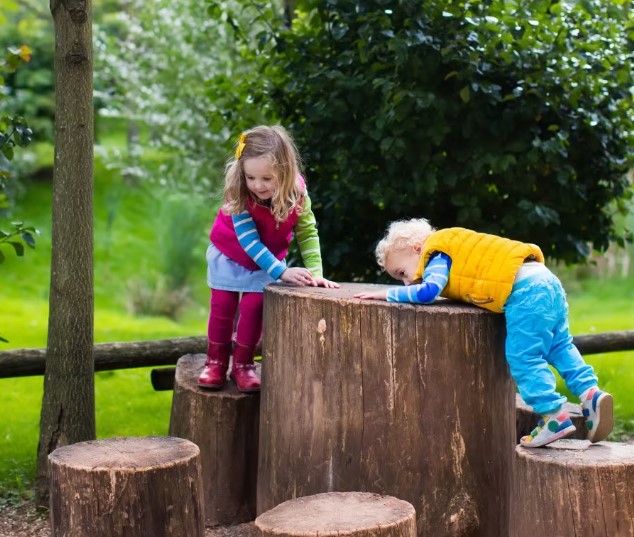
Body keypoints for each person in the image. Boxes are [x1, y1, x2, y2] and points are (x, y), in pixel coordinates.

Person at [354, 218, 613, 448]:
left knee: (524, 357)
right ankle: (590, 395)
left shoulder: (436, 254)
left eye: (402, 273)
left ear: (417, 249)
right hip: (546, 280)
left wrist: (388, 294)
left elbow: (428, 292)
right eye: (399, 280)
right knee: (559, 346)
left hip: (524, 291)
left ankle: (552, 414)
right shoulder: (455, 246)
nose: (407, 281)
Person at [199, 125, 339, 393]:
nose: (257, 185)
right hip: (231, 254)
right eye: (251, 177)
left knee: (254, 308)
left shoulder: (297, 194)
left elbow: (307, 232)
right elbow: (249, 242)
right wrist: (282, 272)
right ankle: (215, 361)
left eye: (266, 178)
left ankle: (244, 365)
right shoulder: (238, 192)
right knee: (223, 307)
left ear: (285, 172)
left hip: (268, 261)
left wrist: (316, 272)